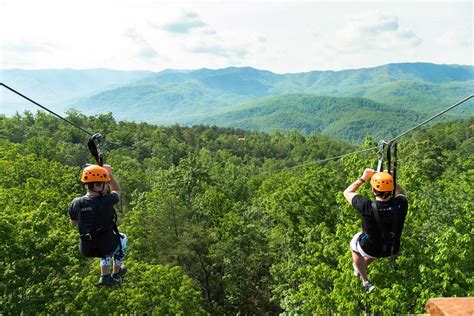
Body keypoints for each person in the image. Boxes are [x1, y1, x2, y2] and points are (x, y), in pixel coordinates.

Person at [343, 168, 408, 293]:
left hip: (371, 248)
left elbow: (347, 192)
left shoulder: (366, 206)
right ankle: (360, 266)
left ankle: (365, 281)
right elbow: (401, 192)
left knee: (354, 243)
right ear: (391, 189)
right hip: (391, 248)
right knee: (377, 240)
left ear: (373, 190)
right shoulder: (401, 204)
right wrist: (391, 179)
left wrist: (363, 178)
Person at [69, 164, 127, 286]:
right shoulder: (107, 200)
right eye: (106, 183)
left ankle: (104, 276)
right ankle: (115, 272)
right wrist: (109, 174)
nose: (107, 186)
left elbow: (73, 224)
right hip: (105, 246)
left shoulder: (76, 202)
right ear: (96, 186)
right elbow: (117, 190)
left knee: (103, 241)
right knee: (122, 238)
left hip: (86, 248)